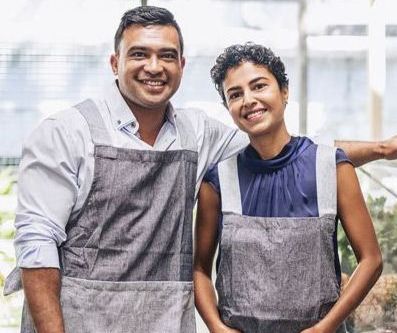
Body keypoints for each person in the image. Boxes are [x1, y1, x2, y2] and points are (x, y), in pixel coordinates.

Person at [2, 5, 396, 333]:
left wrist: (380, 148)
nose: (153, 66)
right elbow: (37, 247)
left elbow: (291, 150)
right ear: (114, 62)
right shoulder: (66, 133)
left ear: (181, 65)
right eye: (139, 54)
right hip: (80, 323)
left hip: (163, 322)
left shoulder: (196, 134)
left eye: (167, 56)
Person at [193, 43, 384, 333]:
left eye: (259, 86)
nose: (248, 100)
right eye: (235, 94)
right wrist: (217, 327)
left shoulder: (331, 167)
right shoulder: (218, 180)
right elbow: (199, 270)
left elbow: (371, 260)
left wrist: (326, 327)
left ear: (284, 91)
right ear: (228, 108)